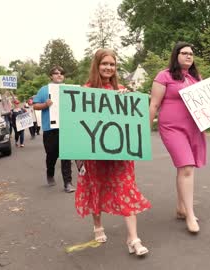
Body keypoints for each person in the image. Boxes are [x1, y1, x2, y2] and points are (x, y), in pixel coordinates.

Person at [75, 48, 151, 256]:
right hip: (96, 155)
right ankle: (97, 225)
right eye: (104, 63)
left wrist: (126, 99)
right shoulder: (86, 91)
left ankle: (133, 238)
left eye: (112, 64)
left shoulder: (123, 90)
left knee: (126, 190)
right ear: (97, 65)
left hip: (120, 155)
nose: (108, 67)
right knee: (96, 188)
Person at [149, 42, 206, 233]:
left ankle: (181, 208)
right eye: (184, 53)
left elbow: (206, 104)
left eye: (191, 53)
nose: (189, 56)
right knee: (187, 166)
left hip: (194, 128)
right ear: (176, 55)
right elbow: (154, 105)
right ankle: (190, 215)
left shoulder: (196, 78)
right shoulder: (163, 76)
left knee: (185, 168)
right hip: (172, 128)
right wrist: (144, 130)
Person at [33, 66, 75, 193]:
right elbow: (35, 105)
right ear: (51, 76)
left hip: (66, 128)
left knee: (66, 155)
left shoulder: (68, 89)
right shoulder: (44, 90)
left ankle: (68, 183)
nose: (59, 75)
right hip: (50, 129)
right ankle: (50, 173)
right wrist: (45, 105)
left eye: (61, 73)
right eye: (56, 73)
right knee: (51, 155)